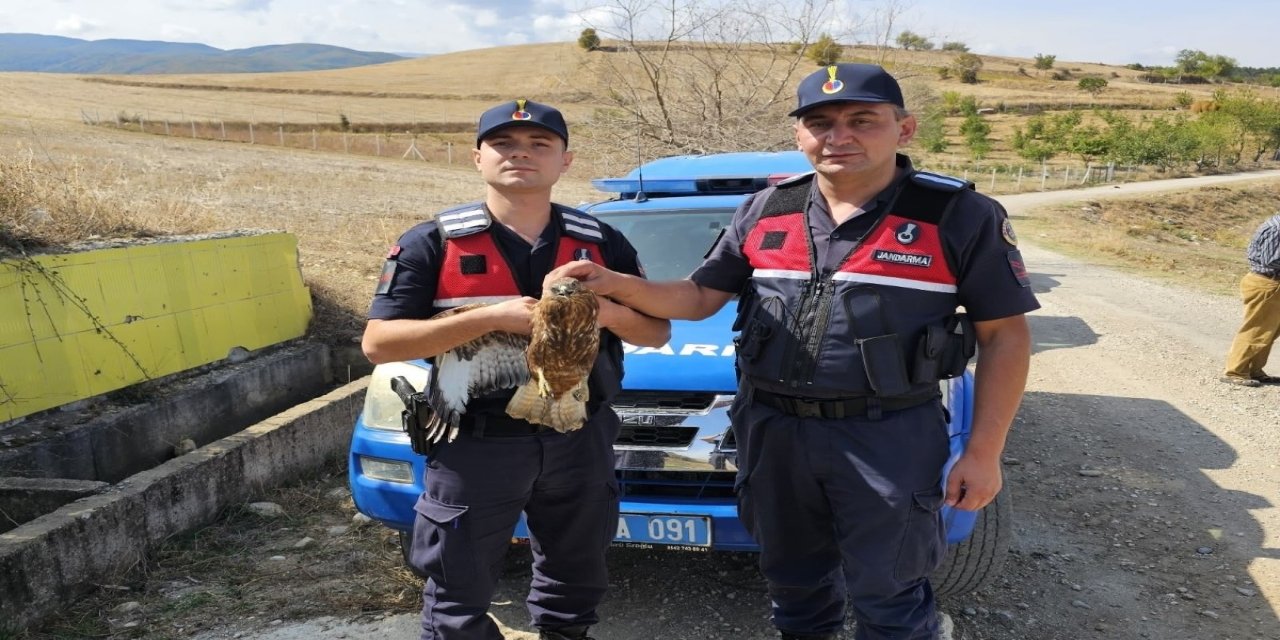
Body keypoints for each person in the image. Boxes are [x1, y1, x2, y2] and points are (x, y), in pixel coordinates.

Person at [545, 63, 1039, 640]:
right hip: (773, 430)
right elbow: (699, 296)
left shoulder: (956, 214)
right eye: (820, 122)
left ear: (904, 129)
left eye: (862, 120)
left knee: (890, 593)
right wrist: (615, 284)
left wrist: (984, 452)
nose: (839, 136)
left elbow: (1005, 336)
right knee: (795, 588)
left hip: (888, 434)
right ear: (800, 133)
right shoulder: (767, 208)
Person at [361, 99, 670, 640]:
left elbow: (656, 332)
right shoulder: (431, 243)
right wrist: (490, 318)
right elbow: (378, 344)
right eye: (503, 143)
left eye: (539, 144)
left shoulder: (602, 243)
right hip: (475, 443)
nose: (520, 154)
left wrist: (607, 313)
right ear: (477, 157)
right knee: (457, 593)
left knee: (575, 583)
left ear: (565, 161)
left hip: (579, 435)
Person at [1221, 213, 1280, 387]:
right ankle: (1236, 371)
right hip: (1267, 283)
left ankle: (1254, 370)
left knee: (1269, 332)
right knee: (1256, 329)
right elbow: (1270, 260)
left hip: (1272, 283)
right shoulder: (1277, 228)